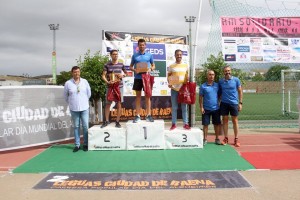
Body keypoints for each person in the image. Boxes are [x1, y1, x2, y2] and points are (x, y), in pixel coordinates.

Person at [64, 66, 91, 152]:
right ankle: (77, 145)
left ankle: (86, 144)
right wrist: (72, 102)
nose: (77, 73)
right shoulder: (68, 83)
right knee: (76, 126)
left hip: (84, 107)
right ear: (72, 73)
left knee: (86, 126)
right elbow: (65, 96)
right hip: (74, 108)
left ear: (80, 72)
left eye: (78, 72)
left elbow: (89, 93)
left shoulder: (85, 82)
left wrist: (84, 100)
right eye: (75, 72)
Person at [129, 38, 155, 123]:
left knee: (147, 97)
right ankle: (137, 115)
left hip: (146, 78)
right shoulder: (135, 55)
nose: (142, 46)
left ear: (145, 46)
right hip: (138, 78)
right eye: (140, 45)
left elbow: (153, 65)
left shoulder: (149, 55)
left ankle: (148, 115)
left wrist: (150, 69)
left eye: (143, 45)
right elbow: (130, 67)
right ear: (138, 46)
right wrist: (134, 70)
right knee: (138, 97)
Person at [101, 50, 127, 128]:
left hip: (119, 87)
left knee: (119, 103)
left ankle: (117, 122)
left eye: (116, 54)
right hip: (110, 86)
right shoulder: (107, 64)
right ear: (111, 55)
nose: (115, 56)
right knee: (108, 103)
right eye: (114, 54)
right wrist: (107, 82)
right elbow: (103, 76)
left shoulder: (121, 64)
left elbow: (126, 73)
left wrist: (123, 75)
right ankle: (106, 121)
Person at [219, 66, 243, 147]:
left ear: (231, 71)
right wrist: (218, 102)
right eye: (226, 71)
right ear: (223, 72)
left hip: (234, 103)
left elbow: (240, 91)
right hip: (224, 103)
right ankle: (225, 138)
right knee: (225, 121)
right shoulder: (221, 81)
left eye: (228, 70)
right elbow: (219, 93)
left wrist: (240, 103)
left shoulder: (236, 80)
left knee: (235, 121)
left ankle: (236, 139)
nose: (227, 72)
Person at [167, 49, 191, 130]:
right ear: (175, 55)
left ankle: (186, 124)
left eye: (180, 54)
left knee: (184, 107)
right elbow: (169, 76)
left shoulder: (185, 65)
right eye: (177, 54)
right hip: (174, 89)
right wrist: (170, 82)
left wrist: (187, 79)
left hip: (183, 89)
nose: (179, 56)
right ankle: (174, 124)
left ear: (182, 55)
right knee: (174, 107)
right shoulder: (171, 66)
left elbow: (188, 76)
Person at [199, 70, 221, 145]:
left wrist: (219, 104)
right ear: (207, 76)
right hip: (206, 109)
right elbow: (200, 98)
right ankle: (205, 139)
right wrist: (201, 107)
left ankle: (217, 138)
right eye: (210, 74)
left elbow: (220, 95)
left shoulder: (217, 85)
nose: (211, 76)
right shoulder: (203, 86)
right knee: (205, 125)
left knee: (217, 124)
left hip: (216, 109)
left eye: (213, 75)